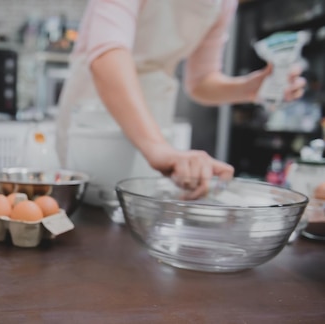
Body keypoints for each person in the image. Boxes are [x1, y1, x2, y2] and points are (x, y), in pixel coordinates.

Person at [56, 0, 306, 201]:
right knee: (88, 205)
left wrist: (249, 88)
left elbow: (200, 82)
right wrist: (157, 148)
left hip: (153, 113)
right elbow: (106, 55)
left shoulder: (223, 4)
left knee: (137, 204)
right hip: (95, 105)